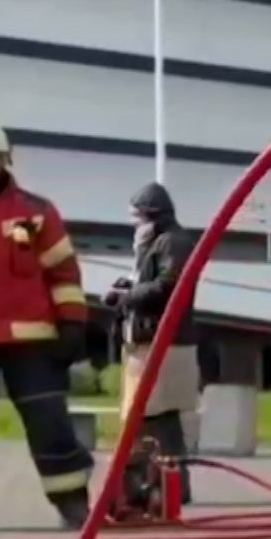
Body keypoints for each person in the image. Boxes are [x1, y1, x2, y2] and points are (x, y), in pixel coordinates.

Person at [0, 120, 95, 530]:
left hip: (33, 344)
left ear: (3, 162)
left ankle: (72, 502)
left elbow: (64, 273)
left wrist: (72, 324)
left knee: (51, 425)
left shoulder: (35, 212)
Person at [105, 181, 201, 503]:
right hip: (146, 342)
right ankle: (149, 487)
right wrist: (127, 287)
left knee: (160, 416)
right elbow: (151, 280)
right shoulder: (155, 243)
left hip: (165, 344)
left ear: (153, 215)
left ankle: (173, 487)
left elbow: (168, 286)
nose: (135, 224)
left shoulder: (174, 242)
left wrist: (126, 297)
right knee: (144, 418)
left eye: (138, 218)